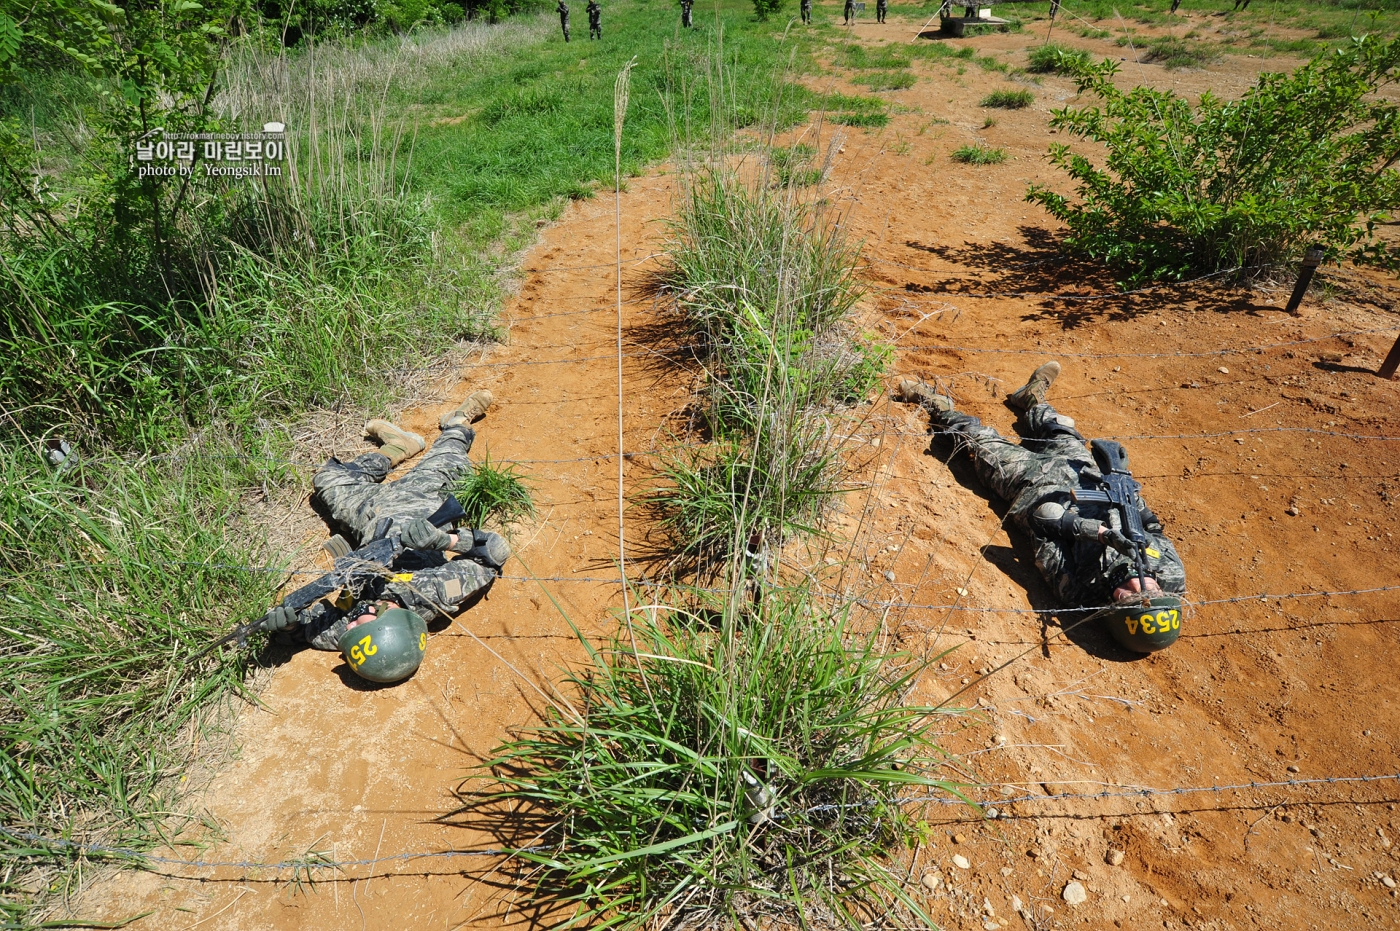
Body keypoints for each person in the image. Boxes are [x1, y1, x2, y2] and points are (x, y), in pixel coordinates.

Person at [895, 363, 1187, 653]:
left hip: (1034, 484)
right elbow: (1152, 525)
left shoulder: (1078, 590)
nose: (1140, 585)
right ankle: (1032, 398)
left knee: (976, 438)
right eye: (1152, 592)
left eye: (1131, 598)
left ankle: (935, 404)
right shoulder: (1172, 573)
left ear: (1111, 607)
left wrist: (1097, 533)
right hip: (1090, 477)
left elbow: (1041, 524)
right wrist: (1124, 488)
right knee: (1062, 429)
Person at [259, 390, 511, 670]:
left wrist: (287, 627)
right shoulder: (437, 592)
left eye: (349, 629)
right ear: (386, 619)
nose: (349, 623)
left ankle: (395, 448)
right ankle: (458, 419)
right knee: (451, 448)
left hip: (372, 515)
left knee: (326, 478)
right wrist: (445, 539)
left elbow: (307, 632)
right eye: (357, 625)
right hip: (425, 499)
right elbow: (494, 552)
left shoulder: (349, 632)